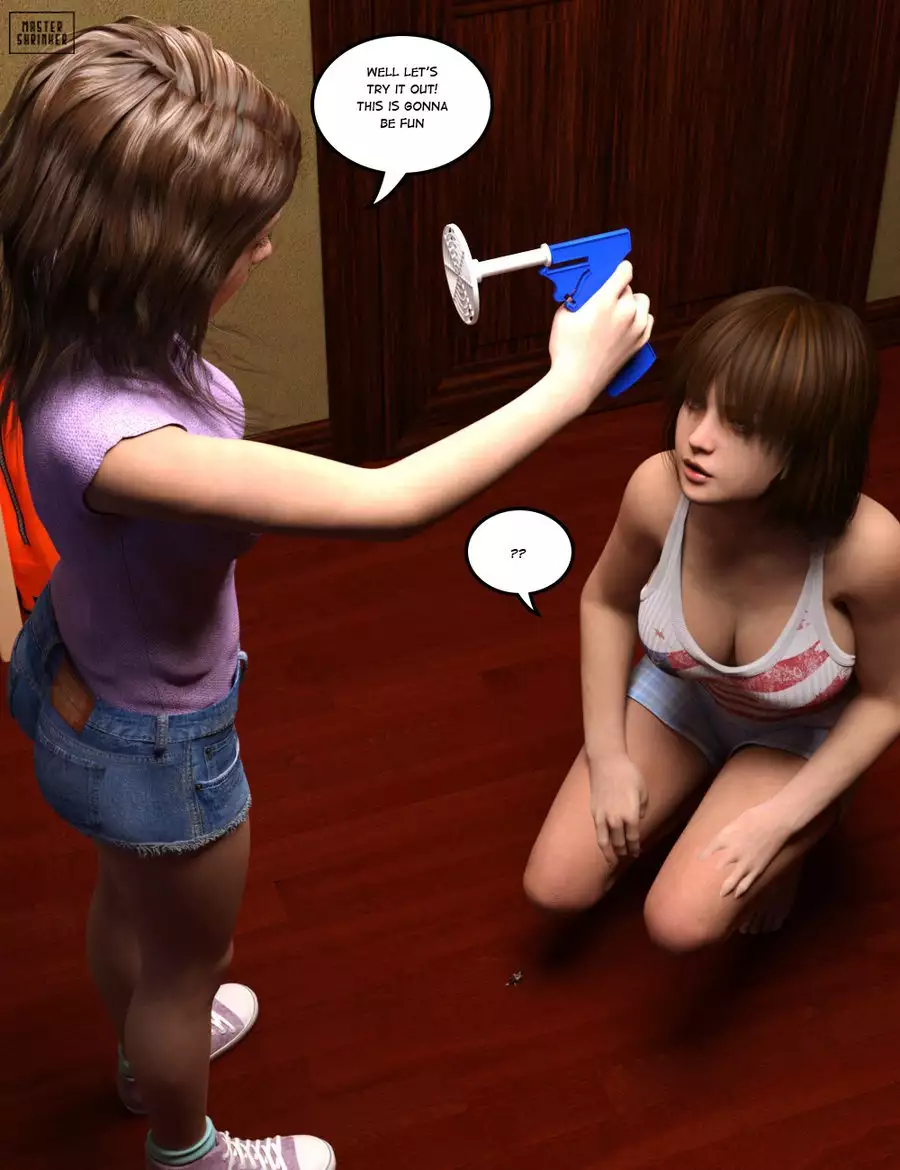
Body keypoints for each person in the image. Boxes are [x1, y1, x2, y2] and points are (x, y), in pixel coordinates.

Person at [0, 16, 652, 1170]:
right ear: (157, 259)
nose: (264, 247)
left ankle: (146, 1054)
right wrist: (570, 384)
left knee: (129, 900)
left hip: (85, 675)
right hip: (159, 741)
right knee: (188, 959)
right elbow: (393, 501)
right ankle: (187, 1146)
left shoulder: (71, 334)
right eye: (245, 235)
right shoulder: (129, 446)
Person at [524, 286, 900, 948]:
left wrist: (781, 821)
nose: (697, 439)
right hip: (686, 697)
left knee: (678, 924)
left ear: (809, 446)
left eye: (742, 426)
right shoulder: (656, 490)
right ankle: (703, 800)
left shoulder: (868, 550)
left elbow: (888, 701)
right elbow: (605, 601)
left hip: (795, 733)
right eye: (697, 403)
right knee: (554, 886)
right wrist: (608, 757)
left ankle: (793, 841)